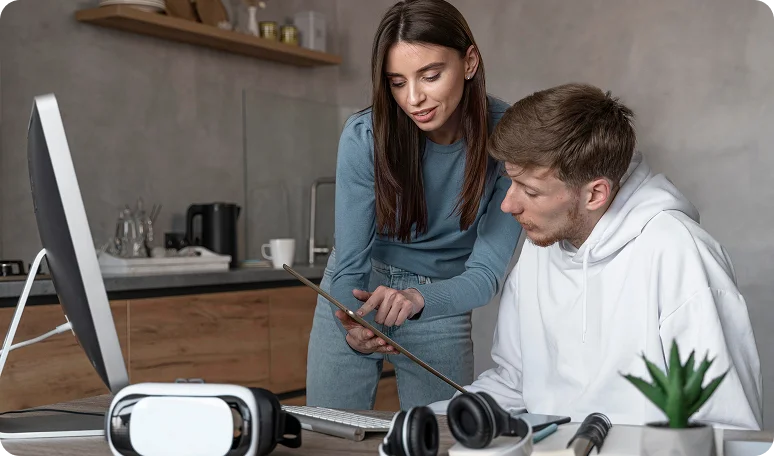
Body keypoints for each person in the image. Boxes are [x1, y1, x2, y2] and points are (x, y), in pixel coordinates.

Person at [429, 83, 763, 430]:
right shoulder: (543, 242)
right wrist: (429, 422)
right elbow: (514, 383)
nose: (508, 205)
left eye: (530, 191)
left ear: (595, 194)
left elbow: (727, 425)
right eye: (510, 182)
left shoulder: (681, 256)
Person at [306, 0, 523, 411]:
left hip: (439, 301)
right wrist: (351, 319)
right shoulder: (366, 136)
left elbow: (484, 276)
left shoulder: (508, 137)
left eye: (431, 75)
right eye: (397, 82)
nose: (413, 99)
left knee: (440, 437)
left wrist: (418, 299)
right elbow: (349, 266)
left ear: (469, 62)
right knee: (327, 434)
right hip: (359, 291)